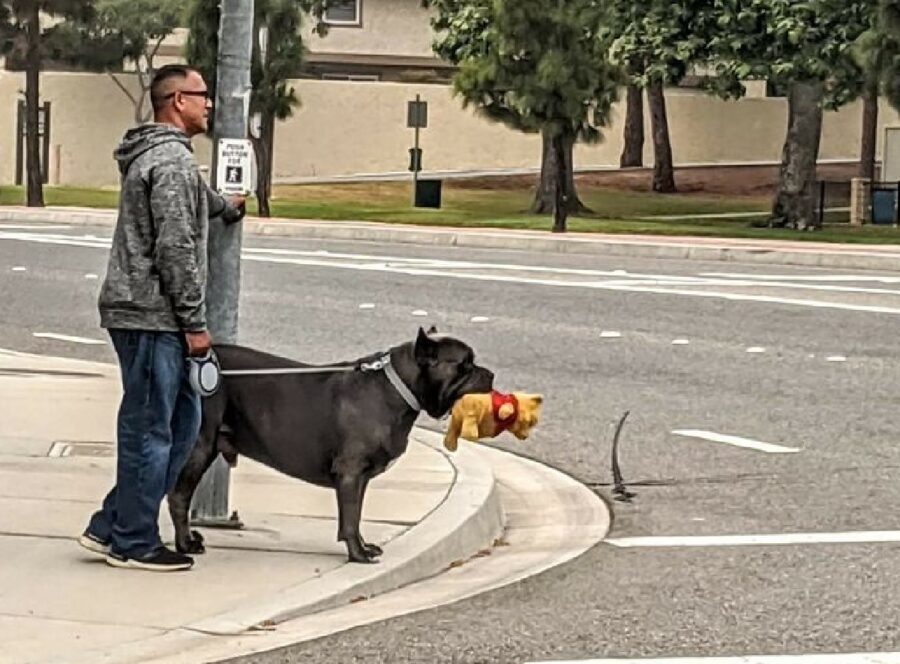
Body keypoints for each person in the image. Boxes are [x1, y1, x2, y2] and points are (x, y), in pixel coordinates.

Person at [80, 64, 245, 572]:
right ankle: (132, 541)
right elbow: (175, 247)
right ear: (177, 101)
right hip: (154, 316)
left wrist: (224, 207)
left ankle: (111, 523)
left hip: (149, 314)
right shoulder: (170, 163)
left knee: (181, 422)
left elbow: (189, 204)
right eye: (202, 95)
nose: (210, 104)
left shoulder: (162, 158)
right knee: (153, 429)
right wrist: (195, 325)